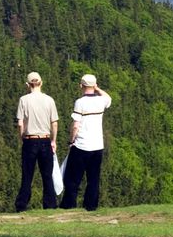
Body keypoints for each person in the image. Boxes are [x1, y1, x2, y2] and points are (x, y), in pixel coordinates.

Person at [63, 73, 111, 211]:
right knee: (93, 179)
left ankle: (69, 205)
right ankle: (91, 206)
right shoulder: (101, 101)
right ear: (94, 85)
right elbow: (109, 98)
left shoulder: (80, 102)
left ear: (81, 86)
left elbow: (76, 125)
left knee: (72, 179)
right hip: (97, 146)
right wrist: (97, 88)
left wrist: (71, 140)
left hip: (81, 145)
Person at [15, 71, 58, 211]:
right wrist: (54, 140)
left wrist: (22, 137)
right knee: (47, 175)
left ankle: (22, 205)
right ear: (41, 83)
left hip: (30, 140)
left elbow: (20, 123)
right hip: (45, 139)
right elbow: (54, 123)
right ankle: (50, 205)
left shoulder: (24, 100)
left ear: (28, 85)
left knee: (27, 175)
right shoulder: (49, 100)